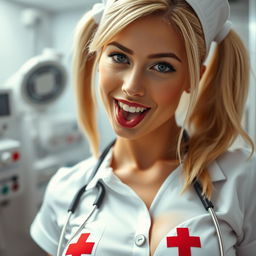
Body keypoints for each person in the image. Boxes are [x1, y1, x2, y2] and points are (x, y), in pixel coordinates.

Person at [30, 0, 256, 255]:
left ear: (193, 78)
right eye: (119, 57)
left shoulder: (243, 182)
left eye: (161, 66)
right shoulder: (65, 189)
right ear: (98, 58)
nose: (132, 86)